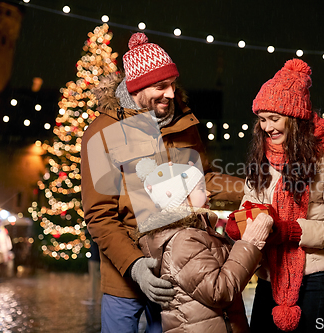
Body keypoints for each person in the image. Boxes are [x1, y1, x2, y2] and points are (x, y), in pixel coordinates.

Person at [80, 32, 244, 333]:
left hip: (176, 267)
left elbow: (203, 179)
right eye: (160, 86)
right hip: (125, 274)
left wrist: (250, 189)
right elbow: (100, 216)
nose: (171, 93)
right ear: (137, 87)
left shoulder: (184, 122)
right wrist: (135, 266)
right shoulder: (102, 133)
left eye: (172, 84)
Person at [226, 58, 324, 332]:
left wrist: (294, 232)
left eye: (274, 119)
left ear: (295, 118)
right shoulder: (262, 158)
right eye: (262, 120)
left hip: (315, 282)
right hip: (269, 278)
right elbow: (251, 203)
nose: (267, 127)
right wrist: (240, 221)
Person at [134, 158, 273, 333]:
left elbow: (228, 269)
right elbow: (219, 292)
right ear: (181, 198)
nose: (208, 193)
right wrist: (249, 244)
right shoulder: (184, 241)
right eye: (200, 188)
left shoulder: (198, 233)